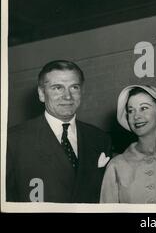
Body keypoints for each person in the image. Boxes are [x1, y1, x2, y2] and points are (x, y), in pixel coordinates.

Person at [6, 60, 112, 203]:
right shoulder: (13, 141)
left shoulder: (99, 138)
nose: (68, 96)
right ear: (42, 94)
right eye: (57, 88)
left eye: (74, 87)